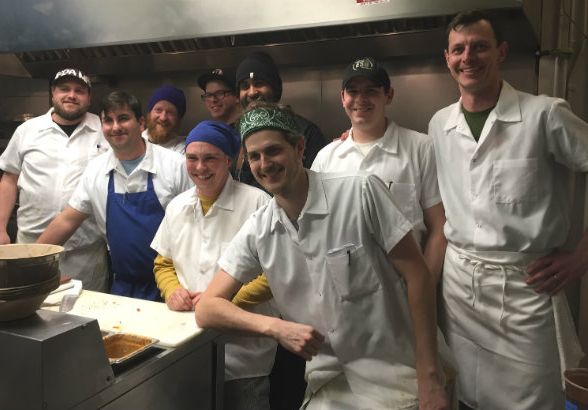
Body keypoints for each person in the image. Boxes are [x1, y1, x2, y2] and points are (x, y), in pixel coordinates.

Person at [196, 101, 452, 410]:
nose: (265, 164)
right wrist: (275, 328)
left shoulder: (360, 193)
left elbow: (418, 275)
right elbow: (208, 308)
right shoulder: (260, 228)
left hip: (401, 377)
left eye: (274, 151)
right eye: (254, 156)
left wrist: (430, 378)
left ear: (299, 147)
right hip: (330, 385)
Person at [429, 9, 588, 410]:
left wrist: (582, 256)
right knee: (466, 392)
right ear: (447, 59)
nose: (469, 57)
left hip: (526, 289)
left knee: (533, 398)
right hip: (460, 287)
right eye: (459, 49)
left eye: (480, 47)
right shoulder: (439, 124)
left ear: (500, 52)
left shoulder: (544, 115)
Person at [150, 120, 277, 409]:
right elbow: (163, 263)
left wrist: (219, 304)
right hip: (187, 344)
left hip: (244, 352)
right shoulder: (177, 206)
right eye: (192, 158)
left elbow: (274, 274)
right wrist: (172, 292)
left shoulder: (258, 204)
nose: (200, 167)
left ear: (229, 160)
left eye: (211, 158)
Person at [37, 91, 192, 301]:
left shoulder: (176, 165)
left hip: (175, 287)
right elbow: (67, 220)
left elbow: (196, 227)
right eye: (108, 121)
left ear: (140, 123)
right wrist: (31, 262)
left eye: (123, 118)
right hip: (123, 288)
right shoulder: (96, 170)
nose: (115, 127)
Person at [311, 57, 447, 282]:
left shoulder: (420, 148)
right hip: (345, 291)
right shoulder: (327, 158)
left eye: (371, 90)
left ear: (389, 95)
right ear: (342, 98)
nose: (360, 99)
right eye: (352, 91)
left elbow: (439, 227)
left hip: (404, 288)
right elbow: (314, 232)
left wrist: (424, 285)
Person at [0, 68, 111, 291]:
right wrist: (0, 230)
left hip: (85, 251)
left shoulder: (104, 130)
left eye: (79, 90)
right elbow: (9, 180)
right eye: (64, 89)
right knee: (31, 311)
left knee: (87, 316)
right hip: (30, 245)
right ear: (52, 93)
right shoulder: (28, 130)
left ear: (89, 97)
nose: (71, 95)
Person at [233, 51, 327, 188]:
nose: (252, 92)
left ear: (275, 89)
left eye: (259, 83)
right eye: (245, 86)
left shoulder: (306, 131)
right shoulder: (233, 134)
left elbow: (318, 185)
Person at [143, 85, 187, 154]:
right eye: (158, 110)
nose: (163, 118)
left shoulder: (184, 151)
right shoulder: (134, 142)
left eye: (170, 113)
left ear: (179, 118)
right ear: (149, 113)